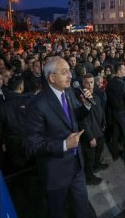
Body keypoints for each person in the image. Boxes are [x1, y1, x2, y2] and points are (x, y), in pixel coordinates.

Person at [24, 56, 96, 218]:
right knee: (59, 212)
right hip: (56, 173)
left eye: (69, 71)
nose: (70, 75)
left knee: (82, 209)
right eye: (65, 72)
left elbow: (74, 117)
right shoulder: (37, 105)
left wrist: (85, 104)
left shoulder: (68, 92)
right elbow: (32, 146)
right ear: (52, 77)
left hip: (76, 166)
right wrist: (64, 145)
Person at [79, 73, 108, 185]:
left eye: (92, 82)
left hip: (99, 130)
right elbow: (83, 122)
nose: (90, 85)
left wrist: (104, 122)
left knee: (99, 149)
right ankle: (89, 178)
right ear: (83, 83)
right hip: (90, 134)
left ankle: (97, 165)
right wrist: (90, 137)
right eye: (87, 83)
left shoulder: (95, 96)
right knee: (89, 158)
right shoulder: (81, 100)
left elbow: (101, 110)